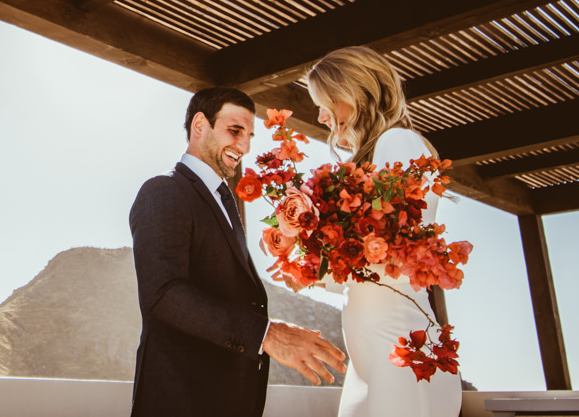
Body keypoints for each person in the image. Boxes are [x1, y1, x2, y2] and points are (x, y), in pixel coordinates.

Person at [129, 87, 347, 417]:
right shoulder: (163, 191)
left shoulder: (225, 201)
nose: (244, 146)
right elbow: (163, 295)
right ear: (199, 125)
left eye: (248, 135)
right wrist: (268, 335)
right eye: (234, 131)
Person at [305, 46, 462, 417]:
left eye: (326, 102)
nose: (322, 116)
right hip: (372, 355)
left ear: (355, 94)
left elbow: (391, 249)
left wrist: (319, 251)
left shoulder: (398, 142)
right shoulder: (373, 155)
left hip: (397, 346)